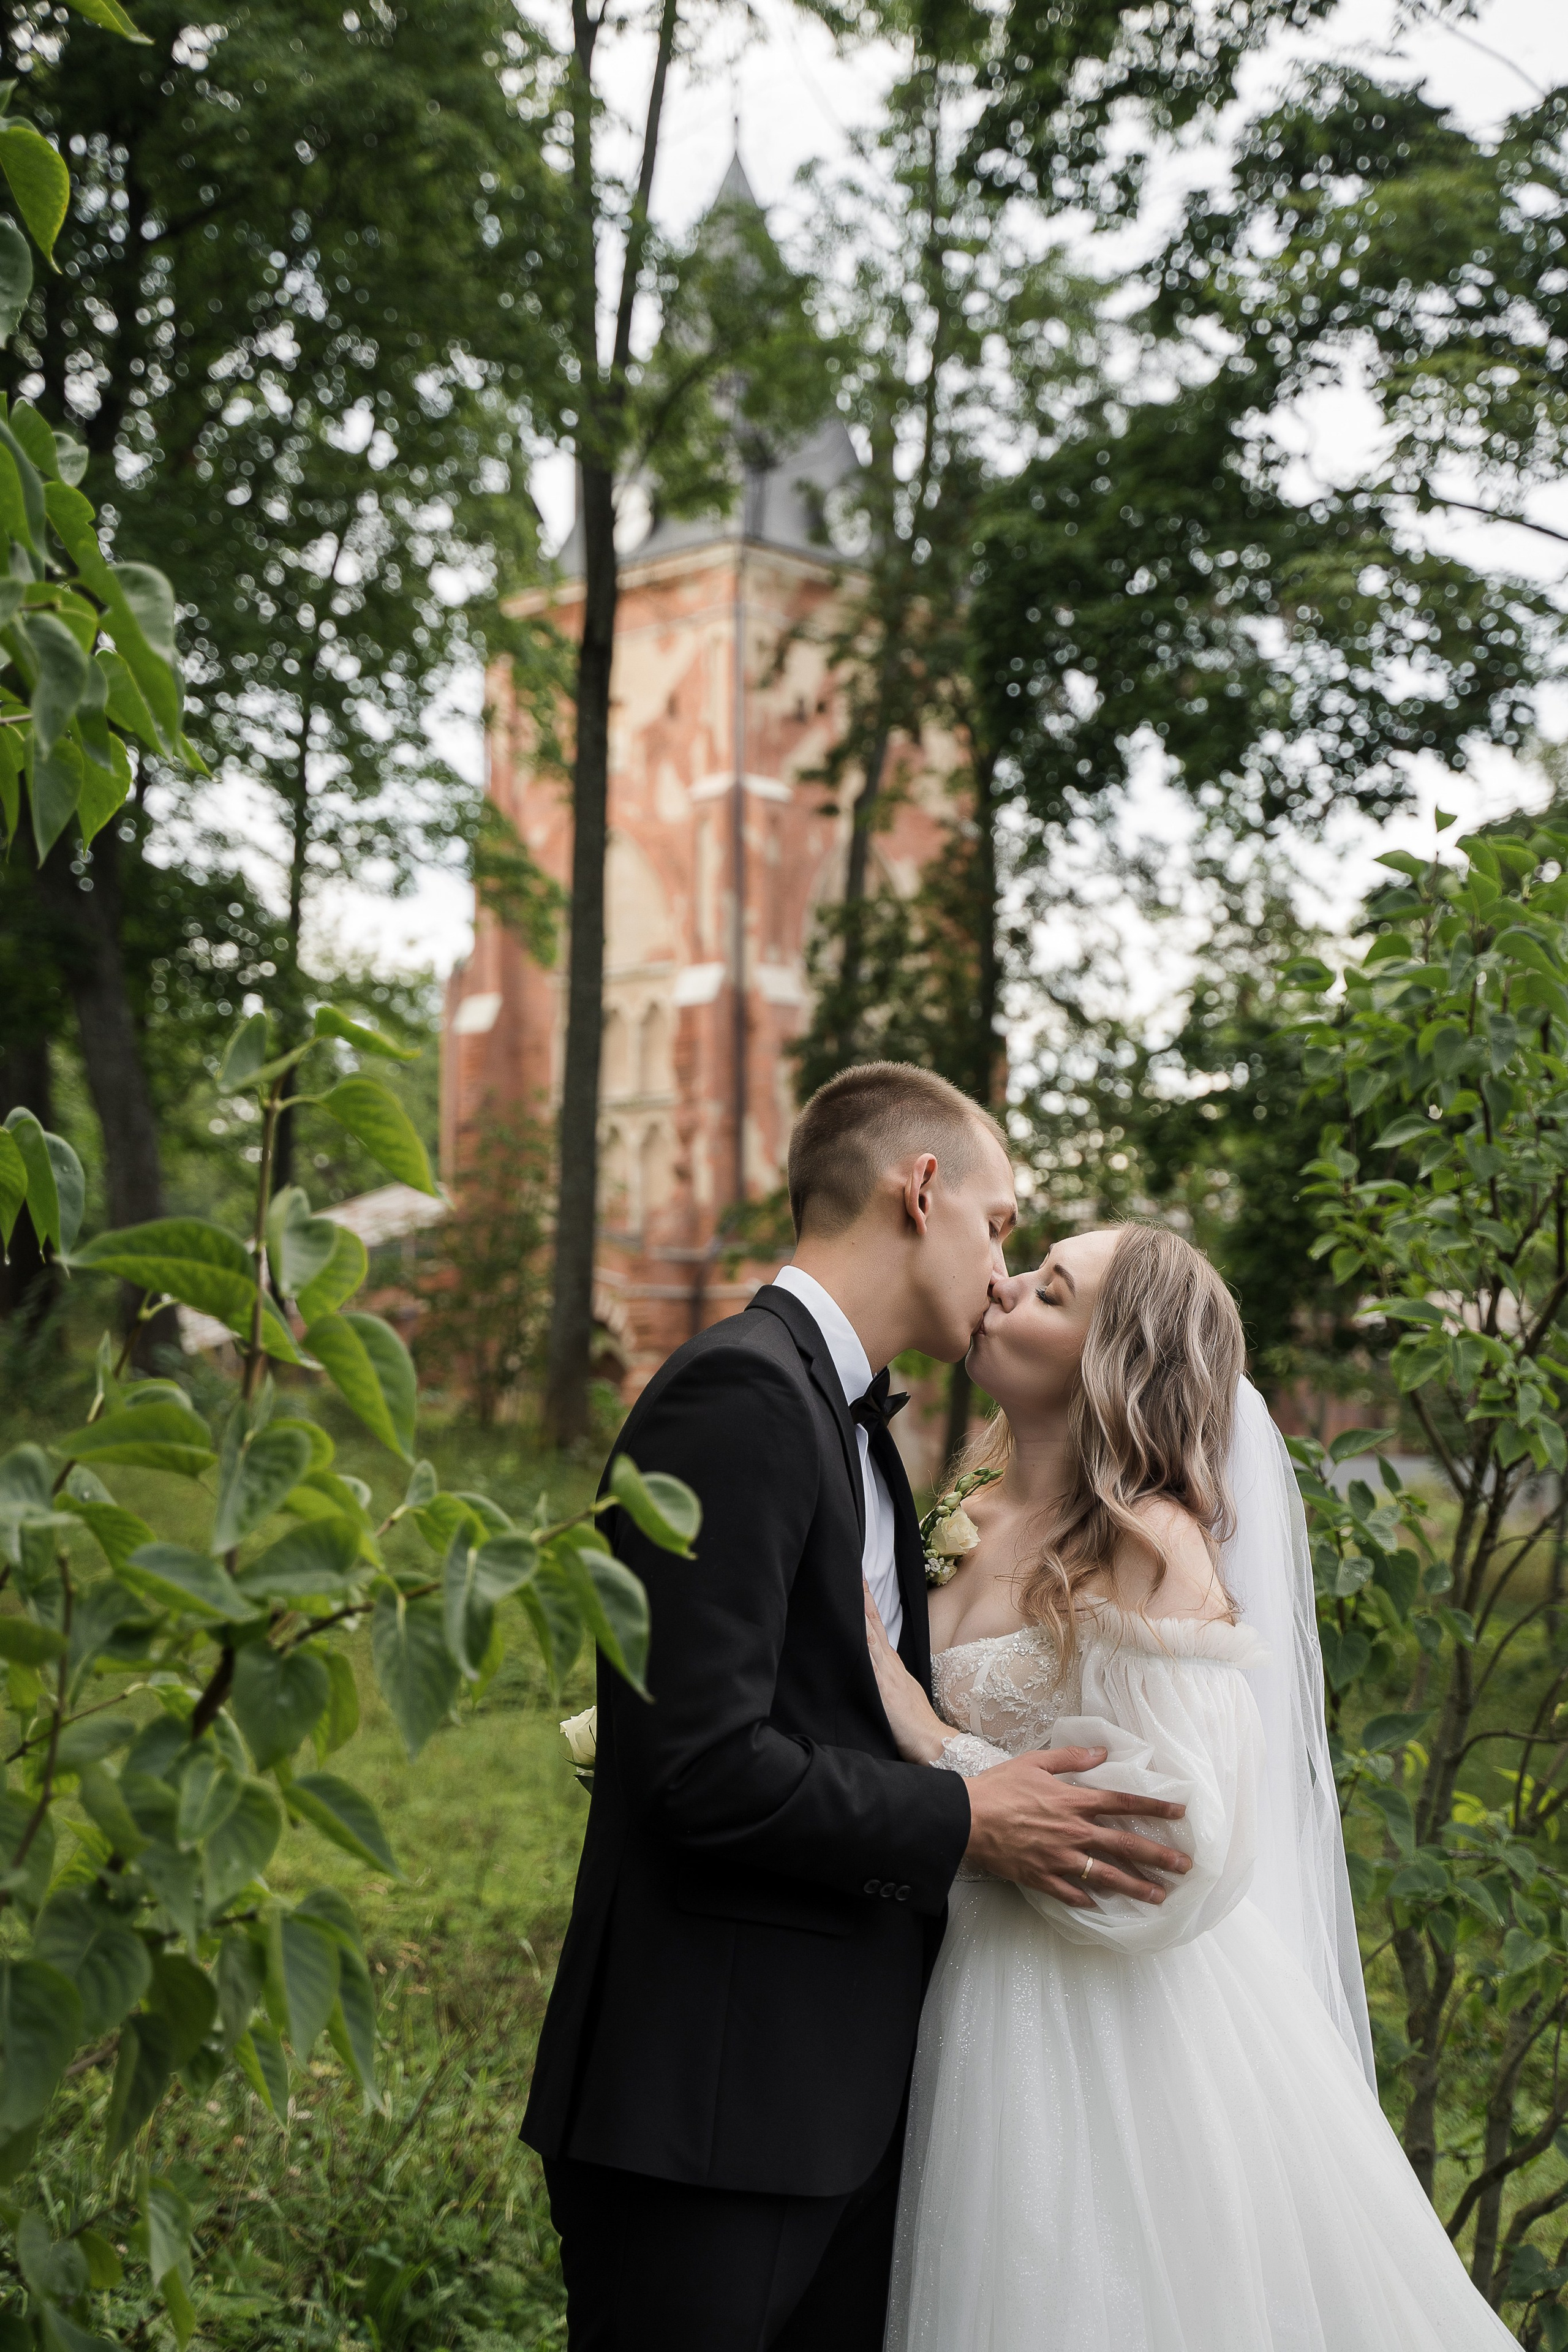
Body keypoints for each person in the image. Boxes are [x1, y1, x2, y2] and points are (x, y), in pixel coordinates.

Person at [522, 1065, 1196, 2350]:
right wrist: (963, 1819)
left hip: (834, 2094)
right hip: (712, 2107)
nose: (1001, 1272)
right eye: (1002, 1227)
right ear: (922, 1188)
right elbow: (698, 1767)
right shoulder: (739, 1397)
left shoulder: (854, 1428)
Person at [864, 1222, 1518, 2350]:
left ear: (1113, 1361)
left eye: (1048, 1292)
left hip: (1089, 2025)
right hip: (941, 1965)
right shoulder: (969, 1493)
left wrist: (931, 1739)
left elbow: (1173, 1861)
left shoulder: (1150, 1544)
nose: (1003, 1290)